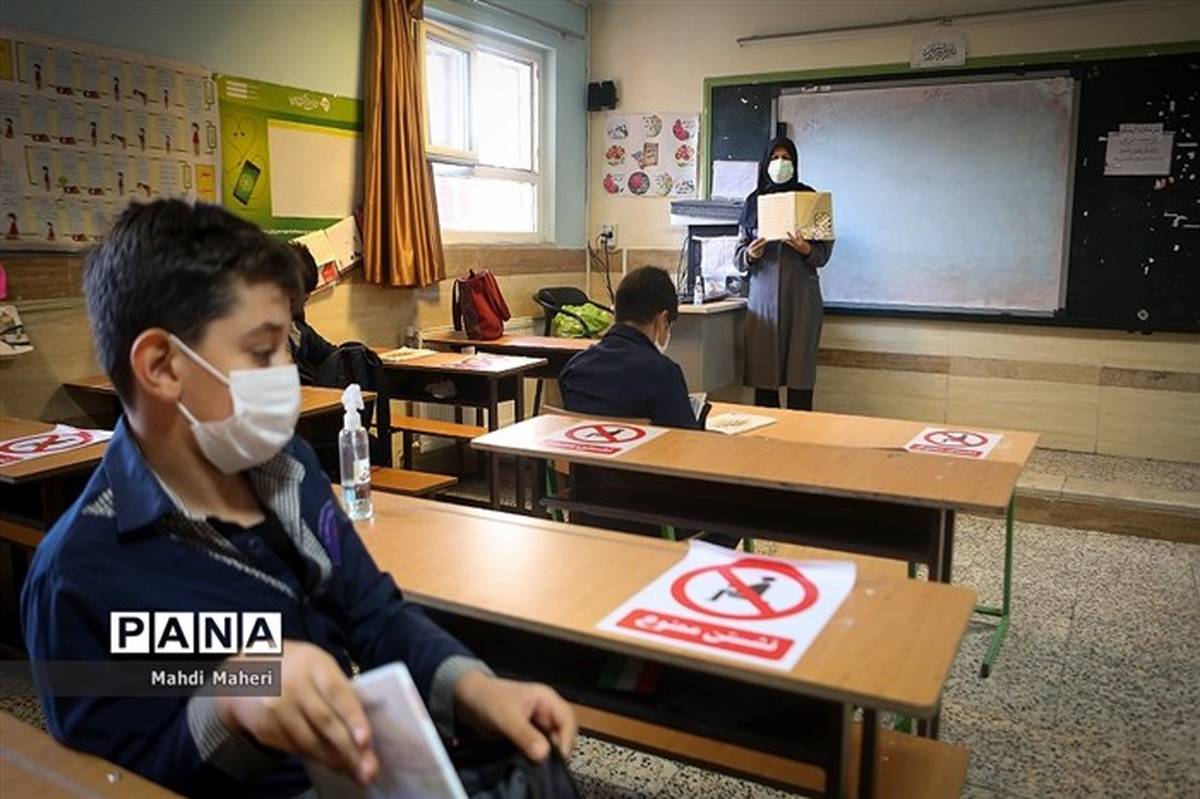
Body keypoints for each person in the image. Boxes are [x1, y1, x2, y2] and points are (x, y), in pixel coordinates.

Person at [21, 200, 576, 797]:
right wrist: (231, 703)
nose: (287, 371)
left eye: (287, 345)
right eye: (262, 352)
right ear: (161, 367)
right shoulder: (80, 575)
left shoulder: (285, 470)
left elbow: (371, 609)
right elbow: (115, 776)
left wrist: (474, 687)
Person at [734, 136, 834, 411]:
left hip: (801, 298)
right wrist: (750, 254)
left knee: (800, 376)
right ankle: (767, 436)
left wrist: (805, 248)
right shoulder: (753, 202)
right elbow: (737, 256)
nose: (781, 164)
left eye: (786, 158)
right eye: (775, 158)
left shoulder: (811, 199)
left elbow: (824, 254)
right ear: (766, 163)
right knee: (764, 377)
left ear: (795, 163)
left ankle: (801, 435)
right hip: (763, 301)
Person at [559, 265, 700, 429]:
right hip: (646, 446)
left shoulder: (574, 368)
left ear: (616, 312)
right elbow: (688, 437)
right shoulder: (664, 373)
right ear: (662, 320)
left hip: (585, 444)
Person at [287, 243, 338, 386]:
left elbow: (330, 353)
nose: (301, 307)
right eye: (296, 301)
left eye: (305, 300)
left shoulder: (298, 328)